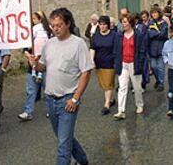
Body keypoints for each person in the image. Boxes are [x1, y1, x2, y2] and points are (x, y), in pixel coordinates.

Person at [32, 8, 93, 165]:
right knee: (63, 137)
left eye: (59, 25)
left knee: (62, 145)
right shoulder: (49, 44)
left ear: (68, 24)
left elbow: (86, 72)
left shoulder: (78, 44)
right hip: (51, 100)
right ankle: (82, 159)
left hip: (68, 100)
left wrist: (75, 99)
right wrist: (34, 63)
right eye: (52, 25)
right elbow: (42, 67)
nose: (55, 28)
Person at [18, 11, 51, 121]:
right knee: (31, 89)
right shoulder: (30, 32)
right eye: (32, 19)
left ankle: (50, 110)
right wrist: (29, 56)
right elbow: (25, 48)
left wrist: (41, 56)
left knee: (47, 89)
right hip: (32, 65)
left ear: (40, 19)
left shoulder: (48, 31)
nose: (33, 21)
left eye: (34, 19)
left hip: (45, 65)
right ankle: (28, 111)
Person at [113, 14, 147, 120]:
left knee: (137, 87)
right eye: (122, 22)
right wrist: (116, 62)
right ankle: (121, 110)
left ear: (130, 23)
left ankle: (139, 104)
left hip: (134, 63)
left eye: (125, 22)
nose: (123, 24)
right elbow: (116, 50)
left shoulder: (138, 35)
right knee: (122, 87)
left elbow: (142, 51)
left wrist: (140, 63)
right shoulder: (119, 35)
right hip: (123, 63)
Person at [90, 16, 116, 115]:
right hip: (99, 63)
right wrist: (91, 60)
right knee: (104, 84)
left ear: (108, 25)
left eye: (104, 24)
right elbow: (92, 48)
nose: (102, 26)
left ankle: (107, 105)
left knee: (108, 84)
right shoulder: (95, 36)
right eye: (100, 24)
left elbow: (117, 49)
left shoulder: (114, 35)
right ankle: (111, 99)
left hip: (110, 63)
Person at [148, 7, 169, 91]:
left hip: (161, 47)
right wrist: (158, 33)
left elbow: (164, 34)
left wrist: (156, 34)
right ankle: (158, 79)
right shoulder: (150, 23)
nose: (154, 14)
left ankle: (161, 83)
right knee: (153, 66)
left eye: (156, 13)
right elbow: (150, 34)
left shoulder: (163, 23)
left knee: (160, 67)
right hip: (152, 48)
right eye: (153, 13)